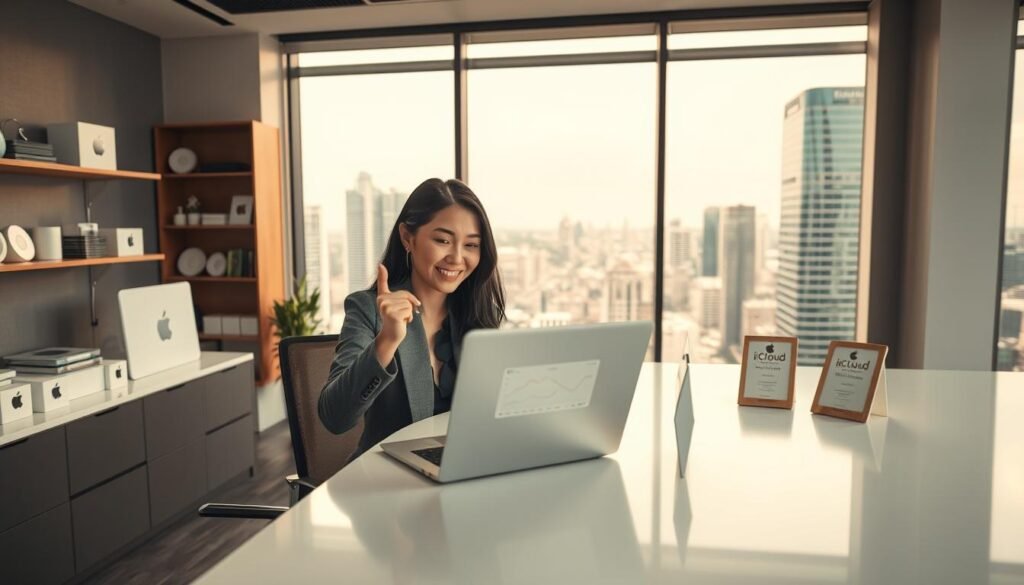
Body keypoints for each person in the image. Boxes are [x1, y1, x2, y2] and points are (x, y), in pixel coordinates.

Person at [318, 178, 505, 460]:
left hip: (466, 469)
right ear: (408, 237)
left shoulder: (479, 314)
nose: (456, 257)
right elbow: (335, 418)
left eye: (471, 245)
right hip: (388, 479)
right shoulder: (368, 309)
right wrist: (387, 341)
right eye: (442, 240)